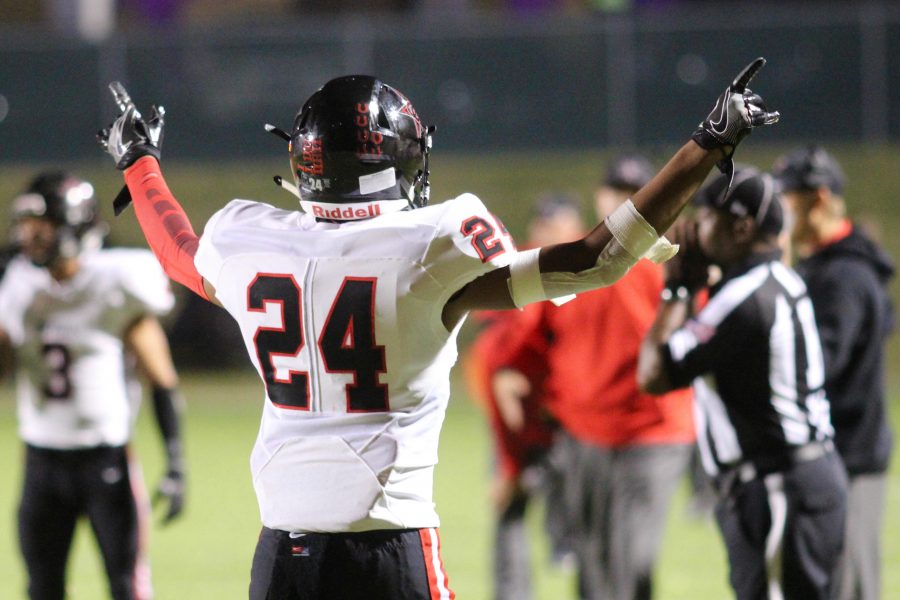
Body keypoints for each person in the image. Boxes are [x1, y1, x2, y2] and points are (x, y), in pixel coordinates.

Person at [96, 59, 778, 599]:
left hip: (285, 552)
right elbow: (593, 260)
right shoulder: (428, 244)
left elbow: (177, 251)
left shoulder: (252, 241)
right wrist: (707, 144)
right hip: (391, 546)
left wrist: (138, 163)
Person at [637, 166, 848, 600]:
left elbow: (653, 374)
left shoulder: (746, 298)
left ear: (741, 226)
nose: (696, 228)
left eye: (708, 215)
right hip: (798, 479)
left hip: (778, 486)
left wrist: (677, 288)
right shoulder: (777, 281)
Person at [507, 154, 695, 600]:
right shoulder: (574, 259)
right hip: (585, 435)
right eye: (617, 192)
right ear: (599, 197)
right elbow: (526, 350)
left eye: (636, 193)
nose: (624, 202)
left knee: (631, 559)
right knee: (591, 560)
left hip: (652, 434)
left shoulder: (672, 262)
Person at [0, 172, 187, 600]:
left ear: (75, 226)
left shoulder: (115, 281)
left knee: (127, 586)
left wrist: (175, 462)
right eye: (26, 226)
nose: (30, 237)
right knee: (42, 587)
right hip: (41, 461)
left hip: (106, 459)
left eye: (42, 226)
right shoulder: (18, 285)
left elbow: (161, 376)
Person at [772, 146, 894, 600]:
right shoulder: (827, 266)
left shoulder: (844, 275)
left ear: (818, 199)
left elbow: (816, 365)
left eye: (787, 199)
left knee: (847, 583)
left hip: (851, 456)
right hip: (832, 452)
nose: (778, 211)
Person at [463, 193, 584, 600]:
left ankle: (565, 544)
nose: (546, 231)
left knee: (582, 508)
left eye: (557, 222)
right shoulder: (517, 271)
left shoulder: (589, 278)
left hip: (567, 418)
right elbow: (495, 362)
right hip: (521, 415)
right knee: (511, 505)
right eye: (543, 223)